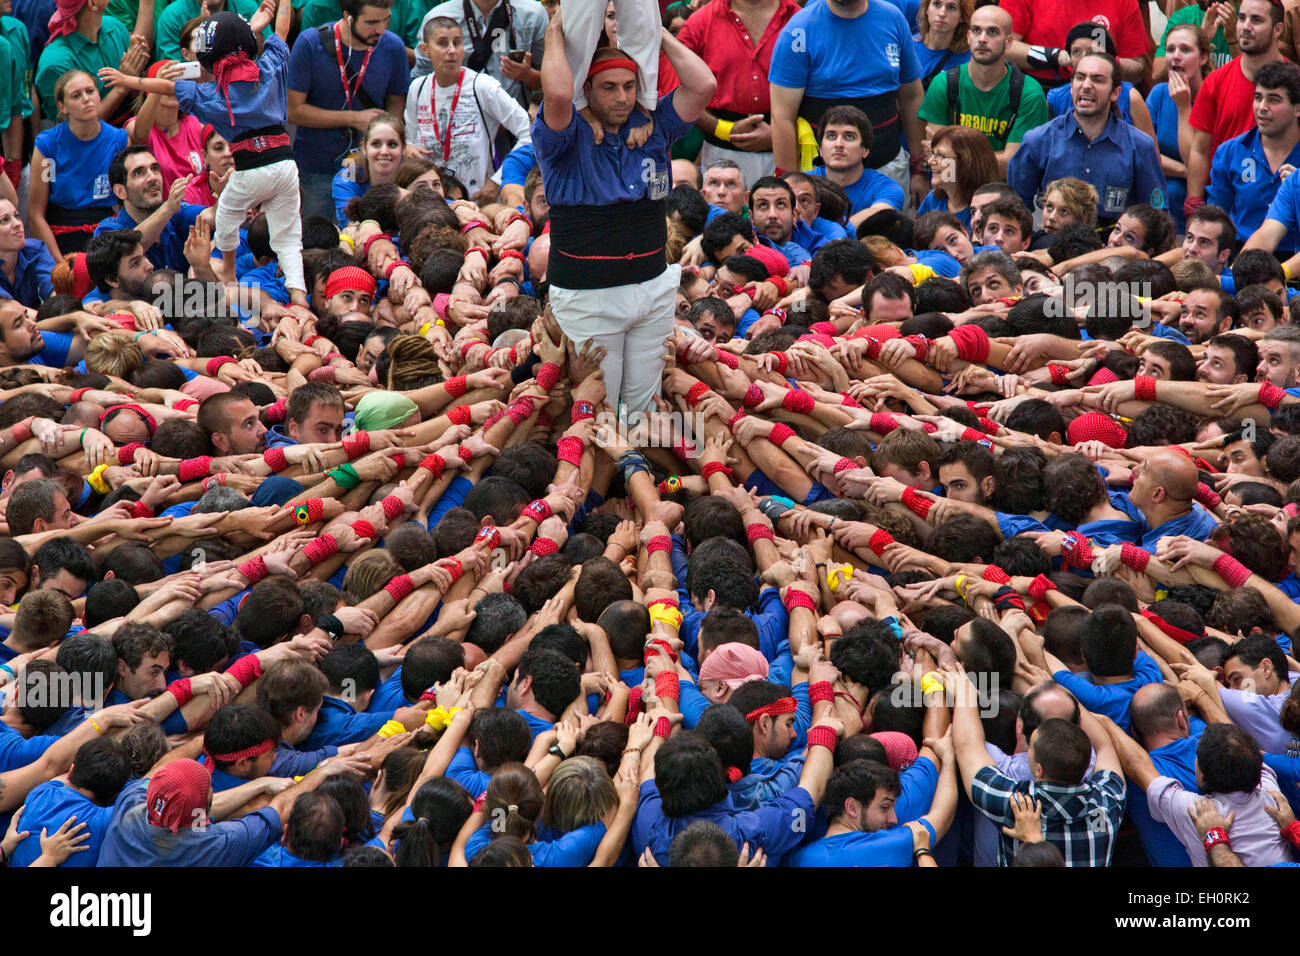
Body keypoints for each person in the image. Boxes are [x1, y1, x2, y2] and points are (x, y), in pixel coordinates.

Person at [532, 12, 713, 413]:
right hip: (590, 295)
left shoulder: (654, 124)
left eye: (630, 86)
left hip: (652, 289)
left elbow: (703, 84)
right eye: (609, 88)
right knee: (600, 406)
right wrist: (556, 31)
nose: (621, 97)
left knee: (644, 408)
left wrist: (653, 30)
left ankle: (647, 475)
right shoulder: (566, 134)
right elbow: (560, 95)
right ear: (588, 90)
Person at [101, 2, 310, 304]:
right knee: (289, 237)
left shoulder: (212, 94)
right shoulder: (269, 66)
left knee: (226, 220)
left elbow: (165, 86)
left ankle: (226, 265)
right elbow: (283, 29)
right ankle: (298, 294)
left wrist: (127, 81)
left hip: (251, 169)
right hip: (287, 166)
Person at [768, 0, 926, 201]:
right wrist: (789, 186)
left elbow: (912, 97)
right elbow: (782, 116)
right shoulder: (798, 30)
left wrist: (920, 169)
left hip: (888, 169)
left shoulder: (893, 19)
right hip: (822, 178)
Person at [1007, 52, 1166, 227]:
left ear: (1115, 93)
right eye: (1080, 78)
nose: (1086, 85)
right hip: (1052, 241)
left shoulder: (1140, 146)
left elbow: (1155, 216)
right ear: (1071, 85)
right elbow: (1015, 210)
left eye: (1097, 80)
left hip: (1113, 244)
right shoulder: (1038, 140)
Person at [287, 0, 411, 224]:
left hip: (372, 169)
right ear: (348, 17)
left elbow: (396, 105)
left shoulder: (393, 47)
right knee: (321, 240)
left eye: (387, 20)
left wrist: (387, 143)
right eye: (372, 22)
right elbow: (294, 111)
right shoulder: (309, 44)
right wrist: (353, 119)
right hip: (318, 165)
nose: (381, 30)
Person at [404, 17, 532, 200]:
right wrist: (408, 148)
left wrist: (499, 180)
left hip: (476, 199)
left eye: (457, 43)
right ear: (425, 50)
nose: (452, 51)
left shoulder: (482, 86)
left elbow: (529, 131)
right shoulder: (417, 88)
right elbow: (411, 141)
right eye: (442, 43)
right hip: (429, 203)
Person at [675, 0, 798, 190]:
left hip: (788, 147)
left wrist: (779, 134)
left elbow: (822, 89)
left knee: (780, 215)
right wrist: (722, 129)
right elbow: (673, 86)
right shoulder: (701, 22)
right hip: (720, 148)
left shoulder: (799, 19)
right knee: (719, 216)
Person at [1184, 0, 1287, 221]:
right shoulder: (1215, 81)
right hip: (1227, 207)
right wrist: (1194, 204)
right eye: (1242, 18)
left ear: (1278, 29)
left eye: (1256, 20)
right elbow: (1200, 150)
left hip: (1282, 209)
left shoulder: (1294, 84)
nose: (1245, 26)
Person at [917, 5, 1049, 174]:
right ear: (968, 37)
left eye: (992, 32)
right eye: (976, 30)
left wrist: (953, 159)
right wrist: (946, 165)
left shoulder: (1028, 92)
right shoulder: (943, 83)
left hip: (1003, 192)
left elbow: (1012, 164)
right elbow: (941, 169)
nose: (982, 39)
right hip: (953, 186)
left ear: (1009, 42)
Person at [27, 69, 128, 256]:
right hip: (60, 235)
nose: (86, 99)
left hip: (107, 233)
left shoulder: (119, 140)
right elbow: (36, 215)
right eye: (76, 95)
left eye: (90, 91)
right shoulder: (48, 145)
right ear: (62, 106)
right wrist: (59, 263)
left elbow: (127, 203)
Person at [1146, 22, 1210, 231]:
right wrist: (1189, 173)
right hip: (1159, 205)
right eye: (1170, 49)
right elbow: (1146, 154)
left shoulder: (1212, 96)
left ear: (1203, 58)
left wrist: (1184, 107)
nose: (1175, 56)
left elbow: (1195, 157)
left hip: (1200, 208)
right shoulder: (1158, 94)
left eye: (1185, 50)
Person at [917, 124, 999, 230]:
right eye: (932, 154)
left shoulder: (989, 212)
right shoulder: (932, 199)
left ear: (967, 164)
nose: (930, 161)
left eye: (941, 156)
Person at [333, 112, 407, 228]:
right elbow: (350, 226)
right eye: (376, 144)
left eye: (392, 144)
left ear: (403, 148)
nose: (384, 152)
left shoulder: (415, 174)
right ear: (364, 148)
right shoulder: (348, 176)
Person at [0, 197, 55, 307]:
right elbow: (10, 312)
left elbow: (55, 295)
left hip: (39, 321)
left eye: (17, 216)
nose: (17, 224)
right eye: (4, 220)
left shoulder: (35, 249)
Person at [913, 0, 971, 88]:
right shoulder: (908, 46)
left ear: (961, 17)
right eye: (936, 4)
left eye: (951, 7)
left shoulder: (969, 58)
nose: (942, 13)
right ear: (927, 10)